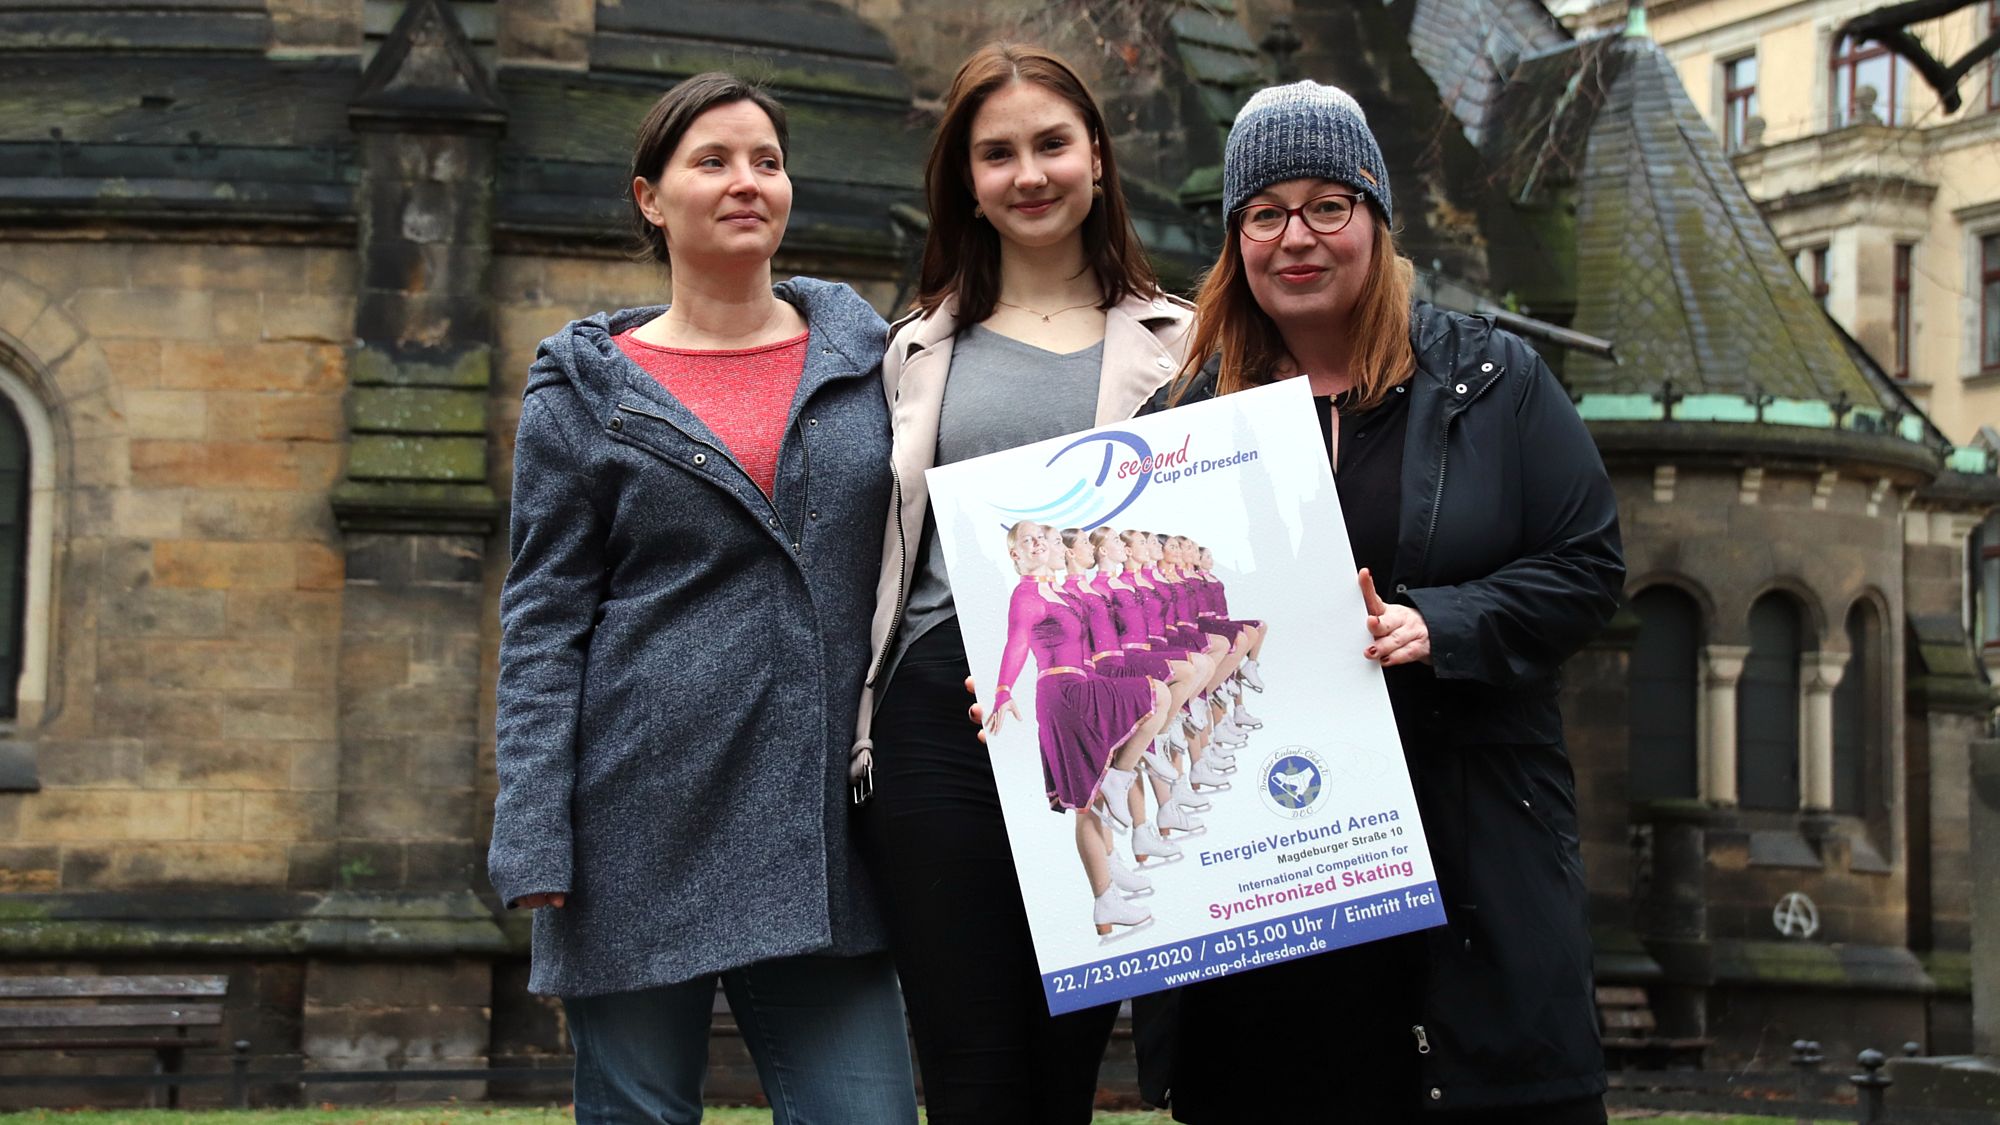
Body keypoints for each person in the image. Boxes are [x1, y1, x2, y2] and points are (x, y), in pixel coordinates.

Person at [1155, 80, 1625, 1124]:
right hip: (1262, 882)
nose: (1296, 237)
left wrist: (1440, 623)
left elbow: (1587, 565)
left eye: (1328, 205)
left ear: (1375, 216)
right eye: (1264, 213)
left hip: (1466, 868)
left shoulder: (1494, 381)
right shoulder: (1178, 420)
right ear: (1235, 238)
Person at [489, 72, 917, 1125]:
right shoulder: (584, 391)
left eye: (766, 162)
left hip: (822, 824)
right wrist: (533, 829)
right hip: (635, 816)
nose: (746, 182)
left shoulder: (876, 360)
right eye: (713, 161)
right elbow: (544, 621)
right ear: (650, 197)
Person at [848, 42, 1193, 1124]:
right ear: (965, 180)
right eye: (996, 154)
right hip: (938, 717)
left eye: (1051, 144)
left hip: (1095, 700)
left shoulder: (1188, 345)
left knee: (1061, 1063)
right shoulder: (909, 350)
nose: (1028, 173)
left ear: (1097, 156)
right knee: (970, 1062)